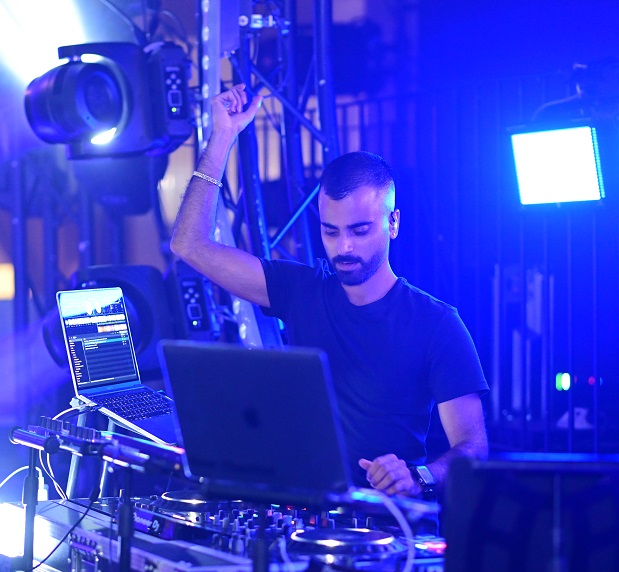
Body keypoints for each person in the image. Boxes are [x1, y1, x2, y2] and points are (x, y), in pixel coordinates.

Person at [170, 84, 488, 498]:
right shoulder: (300, 289)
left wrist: (418, 476)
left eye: (360, 230)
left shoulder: (437, 323)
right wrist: (222, 136)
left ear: (392, 223)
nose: (344, 247)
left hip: (386, 520)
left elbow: (473, 447)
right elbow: (189, 245)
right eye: (330, 231)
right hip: (304, 513)